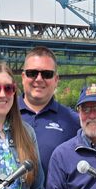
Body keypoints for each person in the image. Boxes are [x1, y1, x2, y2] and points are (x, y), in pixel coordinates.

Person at [18, 46, 78, 177]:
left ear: (56, 80)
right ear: (23, 77)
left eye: (47, 74)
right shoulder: (3, 115)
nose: (39, 79)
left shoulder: (73, 121)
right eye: (32, 73)